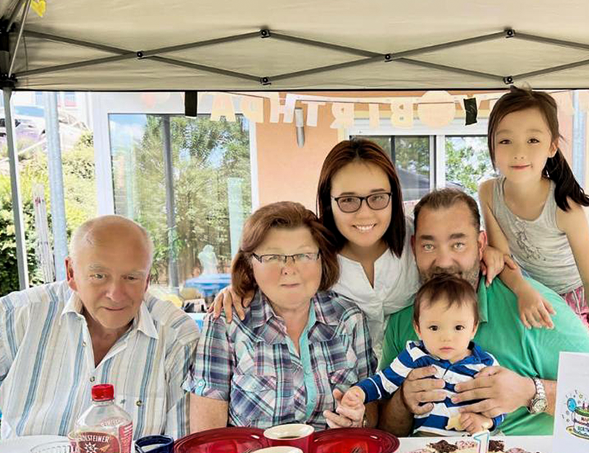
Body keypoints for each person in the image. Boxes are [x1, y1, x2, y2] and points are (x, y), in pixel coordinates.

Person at [367, 187, 589, 436]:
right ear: (414, 247)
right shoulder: (404, 318)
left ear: (480, 244)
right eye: (429, 245)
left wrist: (532, 392)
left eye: (458, 244)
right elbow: (388, 431)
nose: (443, 261)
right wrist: (403, 402)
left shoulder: (532, 307)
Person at [212, 138, 508, 358]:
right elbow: (274, 267)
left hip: (416, 379)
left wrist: (491, 252)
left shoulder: (415, 237)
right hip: (348, 394)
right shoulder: (312, 254)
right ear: (328, 201)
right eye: (348, 200)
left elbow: (458, 248)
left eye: (378, 197)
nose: (365, 214)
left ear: (394, 194)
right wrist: (238, 287)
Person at [0, 215, 199, 439]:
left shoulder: (177, 336)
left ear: (147, 281)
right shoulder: (16, 316)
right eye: (99, 276)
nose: (115, 294)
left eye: (131, 277)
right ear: (71, 272)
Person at [478, 86, 589, 424]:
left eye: (533, 140)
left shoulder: (565, 207)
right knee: (580, 380)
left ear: (553, 146)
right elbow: (502, 256)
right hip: (546, 292)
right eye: (505, 140)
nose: (519, 151)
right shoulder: (489, 192)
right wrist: (524, 290)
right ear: (493, 147)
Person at [185, 201, 377, 431]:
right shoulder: (225, 323)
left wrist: (359, 420)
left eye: (304, 255)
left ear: (322, 259)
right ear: (250, 263)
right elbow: (207, 437)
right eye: (273, 256)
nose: (289, 268)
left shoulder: (349, 319)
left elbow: (372, 412)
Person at [342, 274, 501, 436]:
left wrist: (487, 421)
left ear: (473, 329)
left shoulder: (485, 364)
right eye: (434, 328)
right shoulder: (415, 356)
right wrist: (358, 393)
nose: (446, 337)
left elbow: (499, 403)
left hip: (472, 445)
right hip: (424, 443)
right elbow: (383, 382)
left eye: (458, 327)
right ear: (418, 329)